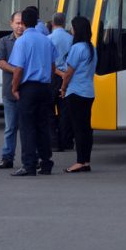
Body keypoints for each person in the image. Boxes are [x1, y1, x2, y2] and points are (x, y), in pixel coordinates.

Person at [8, 6, 58, 176]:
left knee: (27, 127)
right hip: (44, 87)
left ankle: (29, 164)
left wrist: (14, 87)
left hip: (28, 87)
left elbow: (18, 69)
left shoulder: (22, 41)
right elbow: (53, 66)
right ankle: (46, 162)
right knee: (43, 125)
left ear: (24, 23)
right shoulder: (47, 40)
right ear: (37, 21)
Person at [60, 16, 98, 173]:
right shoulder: (91, 48)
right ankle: (86, 161)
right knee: (86, 128)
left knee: (77, 128)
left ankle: (80, 162)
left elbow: (69, 72)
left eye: (72, 27)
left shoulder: (77, 48)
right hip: (88, 92)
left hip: (75, 92)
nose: (71, 29)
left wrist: (63, 88)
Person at [0, 11, 24, 169]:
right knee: (10, 126)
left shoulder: (29, 41)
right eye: (17, 23)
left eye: (22, 23)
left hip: (26, 91)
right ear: (11, 23)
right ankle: (7, 157)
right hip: (9, 90)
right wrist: (15, 70)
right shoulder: (4, 41)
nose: (20, 26)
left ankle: (31, 157)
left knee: (28, 127)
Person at [48, 12, 73, 151]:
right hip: (67, 77)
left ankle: (53, 142)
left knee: (49, 110)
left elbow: (48, 61)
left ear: (52, 23)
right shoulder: (71, 39)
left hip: (52, 77)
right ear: (64, 23)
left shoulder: (48, 39)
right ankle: (66, 141)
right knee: (65, 111)